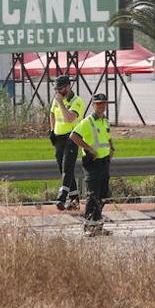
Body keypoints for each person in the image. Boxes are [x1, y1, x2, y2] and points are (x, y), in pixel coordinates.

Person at [69, 93, 113, 237]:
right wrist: (88, 148)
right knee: (93, 195)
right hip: (92, 162)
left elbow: (106, 137)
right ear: (93, 105)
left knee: (103, 195)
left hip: (104, 161)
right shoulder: (87, 122)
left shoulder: (105, 121)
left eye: (103, 103)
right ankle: (88, 226)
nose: (101, 106)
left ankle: (98, 226)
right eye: (98, 104)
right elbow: (74, 136)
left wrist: (111, 148)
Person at [49, 76, 86, 211]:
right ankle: (74, 199)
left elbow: (69, 118)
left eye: (60, 89)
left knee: (67, 168)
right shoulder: (57, 98)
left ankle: (61, 198)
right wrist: (52, 130)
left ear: (68, 87)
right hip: (58, 138)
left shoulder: (77, 101)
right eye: (56, 89)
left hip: (71, 138)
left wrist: (61, 103)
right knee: (62, 169)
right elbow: (52, 114)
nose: (58, 92)